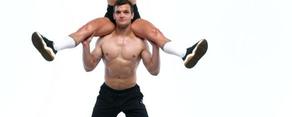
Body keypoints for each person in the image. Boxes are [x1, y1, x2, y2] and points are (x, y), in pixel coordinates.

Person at [31, 0, 208, 68]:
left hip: (133, 15)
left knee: (154, 33)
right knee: (85, 31)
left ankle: (185, 54)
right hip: (112, 15)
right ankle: (53, 47)